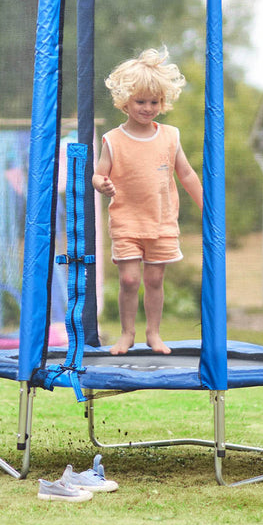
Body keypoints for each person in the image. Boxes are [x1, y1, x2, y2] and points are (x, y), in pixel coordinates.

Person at [91, 47, 202, 355]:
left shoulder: (170, 136)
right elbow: (98, 176)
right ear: (125, 101)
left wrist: (209, 208)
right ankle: (127, 333)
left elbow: (188, 175)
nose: (148, 108)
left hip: (162, 221)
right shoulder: (113, 140)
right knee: (128, 279)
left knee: (154, 280)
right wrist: (103, 184)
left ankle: (153, 333)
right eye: (141, 101)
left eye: (154, 102)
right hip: (127, 221)